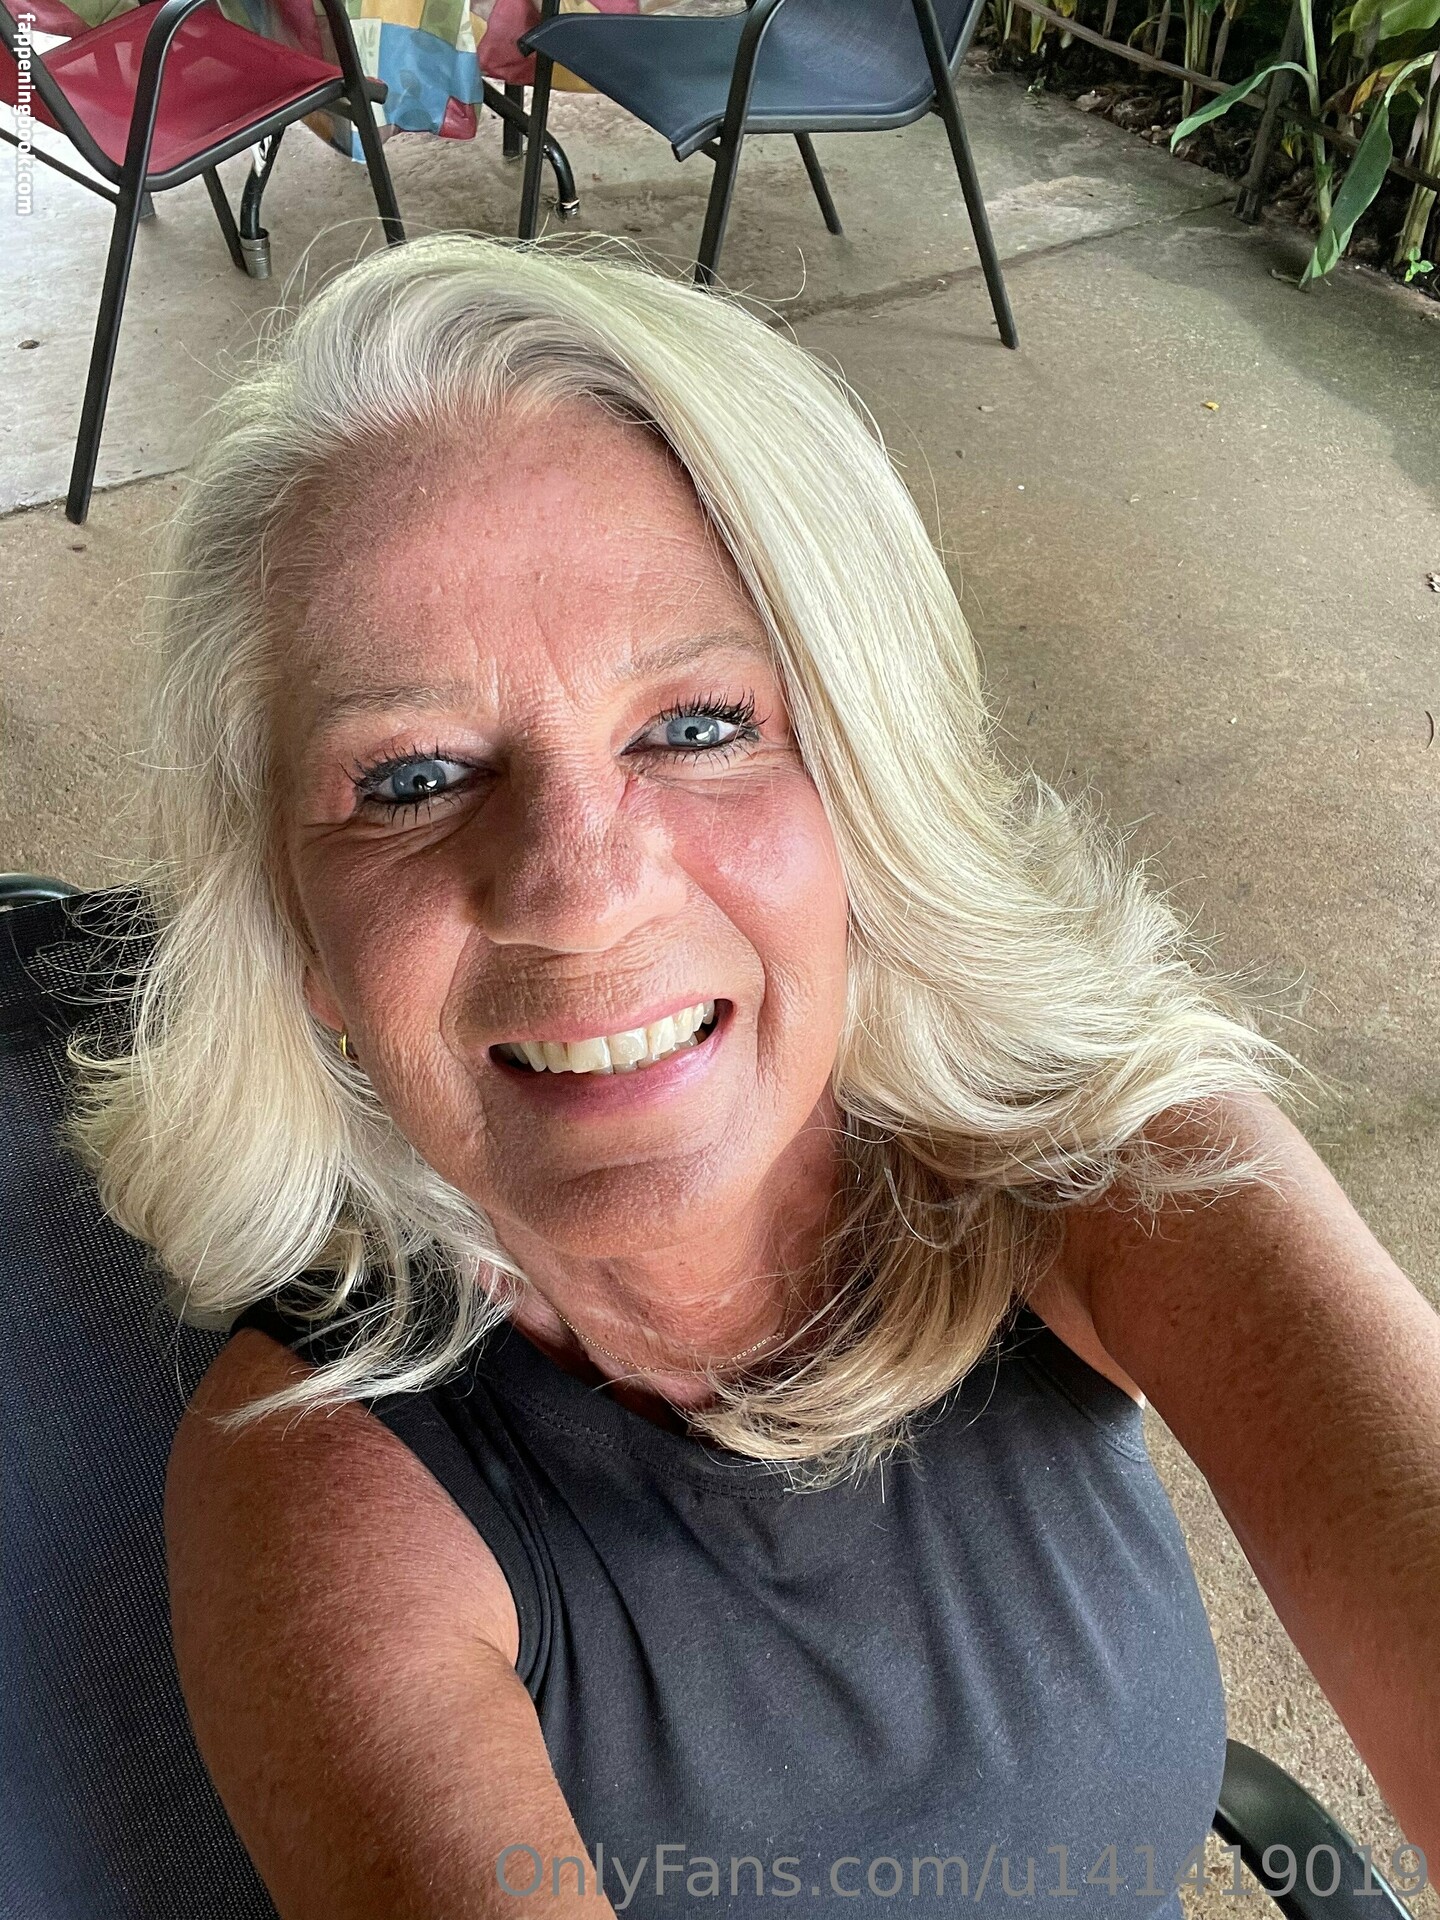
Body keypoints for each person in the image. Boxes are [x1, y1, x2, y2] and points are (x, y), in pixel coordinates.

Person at [70, 234, 1439, 1919]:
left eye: (699, 725)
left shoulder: (1097, 1156)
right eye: (414, 777)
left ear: (872, 780)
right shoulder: (321, 1494)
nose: (578, 887)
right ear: (295, 935)